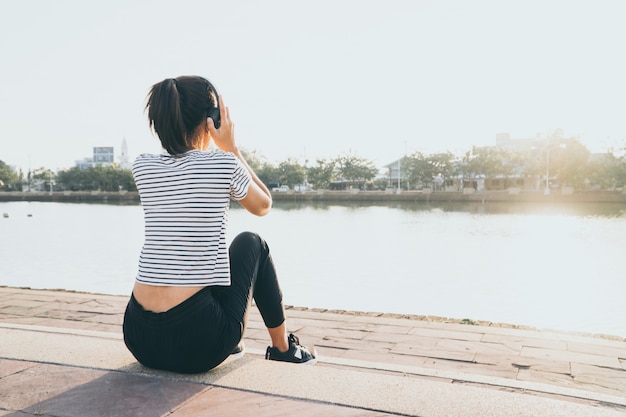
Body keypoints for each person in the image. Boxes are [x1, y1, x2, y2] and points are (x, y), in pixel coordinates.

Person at [122, 75, 316, 373]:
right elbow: (263, 205)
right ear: (211, 120)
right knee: (252, 242)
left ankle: (234, 337)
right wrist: (232, 148)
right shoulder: (222, 163)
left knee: (195, 253)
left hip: (140, 339)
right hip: (198, 345)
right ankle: (283, 349)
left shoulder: (142, 166)